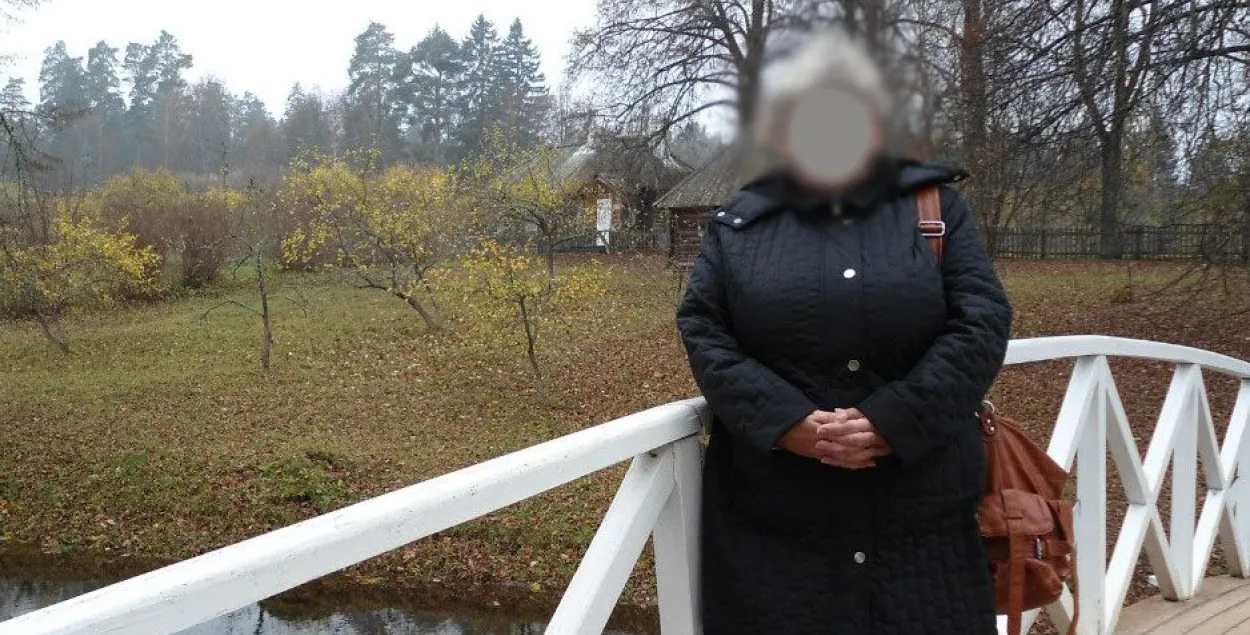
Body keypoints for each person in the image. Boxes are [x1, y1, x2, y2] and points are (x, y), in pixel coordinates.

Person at [675, 32, 1014, 635]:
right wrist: (786, 424)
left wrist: (895, 421)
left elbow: (982, 319)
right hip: (776, 534)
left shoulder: (935, 210)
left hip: (923, 527)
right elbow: (704, 330)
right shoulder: (740, 224)